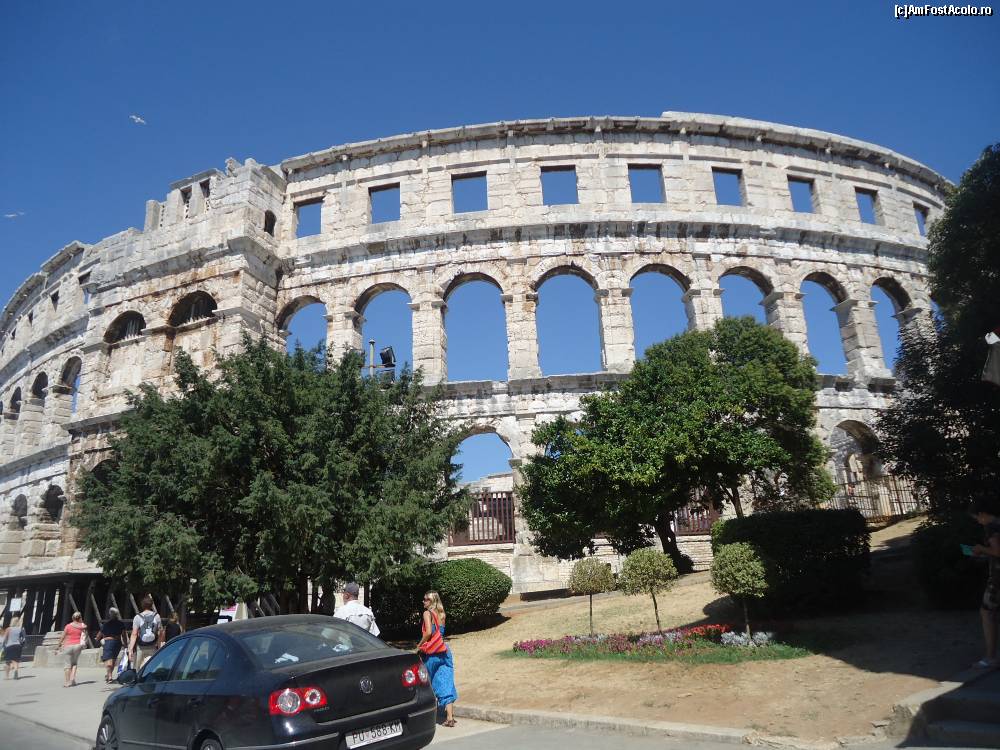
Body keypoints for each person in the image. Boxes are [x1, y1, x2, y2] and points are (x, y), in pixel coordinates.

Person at [416, 591, 457, 727]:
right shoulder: (442, 614)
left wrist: (419, 645)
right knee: (446, 682)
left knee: (428, 683)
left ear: (432, 601)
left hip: (431, 653)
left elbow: (428, 632)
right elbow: (440, 633)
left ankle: (426, 715)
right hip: (444, 651)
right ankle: (450, 717)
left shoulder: (427, 614)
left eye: (426, 599)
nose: (423, 601)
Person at [971, 499, 1000, 669]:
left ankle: (990, 657)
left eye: (976, 518)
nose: (977, 521)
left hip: (997, 578)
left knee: (987, 612)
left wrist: (981, 549)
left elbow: (997, 551)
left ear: (982, 514)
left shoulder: (991, 527)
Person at [56, 611, 88, 687]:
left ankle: (67, 682)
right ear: (80, 618)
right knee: (74, 663)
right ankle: (72, 680)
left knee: (67, 664)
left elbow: (63, 637)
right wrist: (81, 621)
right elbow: (85, 636)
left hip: (68, 646)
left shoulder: (68, 626)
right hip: (78, 646)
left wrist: (58, 646)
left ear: (72, 618)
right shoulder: (83, 626)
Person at [128, 596, 162, 668]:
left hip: (141, 647)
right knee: (152, 667)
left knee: (137, 668)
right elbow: (159, 633)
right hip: (153, 646)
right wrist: (159, 646)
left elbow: (134, 634)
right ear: (151, 605)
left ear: (142, 605)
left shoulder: (137, 617)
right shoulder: (157, 616)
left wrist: (130, 649)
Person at [96, 608, 126, 683]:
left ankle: (109, 676)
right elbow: (124, 635)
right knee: (113, 659)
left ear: (110, 615)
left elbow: (99, 634)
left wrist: (97, 639)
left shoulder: (106, 624)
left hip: (108, 642)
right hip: (117, 642)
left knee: (108, 659)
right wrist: (125, 644)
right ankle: (109, 675)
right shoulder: (121, 624)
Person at [1, 613, 26, 680]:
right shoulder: (20, 629)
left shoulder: (8, 629)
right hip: (18, 646)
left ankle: (7, 676)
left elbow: (4, 639)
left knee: (7, 662)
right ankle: (16, 671)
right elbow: (23, 638)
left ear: (12, 622)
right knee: (16, 660)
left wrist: (2, 646)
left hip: (9, 646)